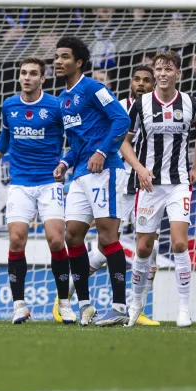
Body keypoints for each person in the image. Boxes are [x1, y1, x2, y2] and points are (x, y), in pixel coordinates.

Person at [62, 64, 161, 327]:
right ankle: (83, 300)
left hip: (142, 180)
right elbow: (82, 140)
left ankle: (130, 307)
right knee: (82, 235)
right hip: (105, 174)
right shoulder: (106, 101)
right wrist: (65, 161)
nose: (141, 84)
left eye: (147, 80)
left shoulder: (163, 107)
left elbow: (121, 125)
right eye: (136, 79)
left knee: (141, 242)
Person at [0, 57, 68, 324]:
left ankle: (64, 303)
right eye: (23, 73)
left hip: (49, 182)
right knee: (16, 240)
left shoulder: (55, 106)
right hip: (20, 183)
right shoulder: (9, 105)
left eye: (33, 73)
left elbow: (73, 138)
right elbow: (5, 136)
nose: (27, 77)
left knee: (56, 240)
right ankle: (19, 306)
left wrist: (65, 163)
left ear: (42, 79)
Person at [122, 50, 196, 329]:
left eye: (168, 69)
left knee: (179, 243)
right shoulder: (141, 104)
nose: (162, 73)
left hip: (179, 183)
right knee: (144, 248)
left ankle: (184, 308)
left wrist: (195, 167)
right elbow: (123, 141)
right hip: (149, 186)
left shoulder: (192, 103)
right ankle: (135, 303)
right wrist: (139, 169)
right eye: (158, 69)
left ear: (177, 74)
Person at [51, 36, 131, 326]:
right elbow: (76, 144)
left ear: (79, 62)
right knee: (72, 234)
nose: (58, 61)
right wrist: (64, 162)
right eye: (56, 56)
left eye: (64, 56)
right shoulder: (62, 101)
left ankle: (120, 308)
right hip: (81, 174)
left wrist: (101, 151)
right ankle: (85, 305)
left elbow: (122, 120)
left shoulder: (93, 88)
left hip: (105, 170)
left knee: (107, 237)